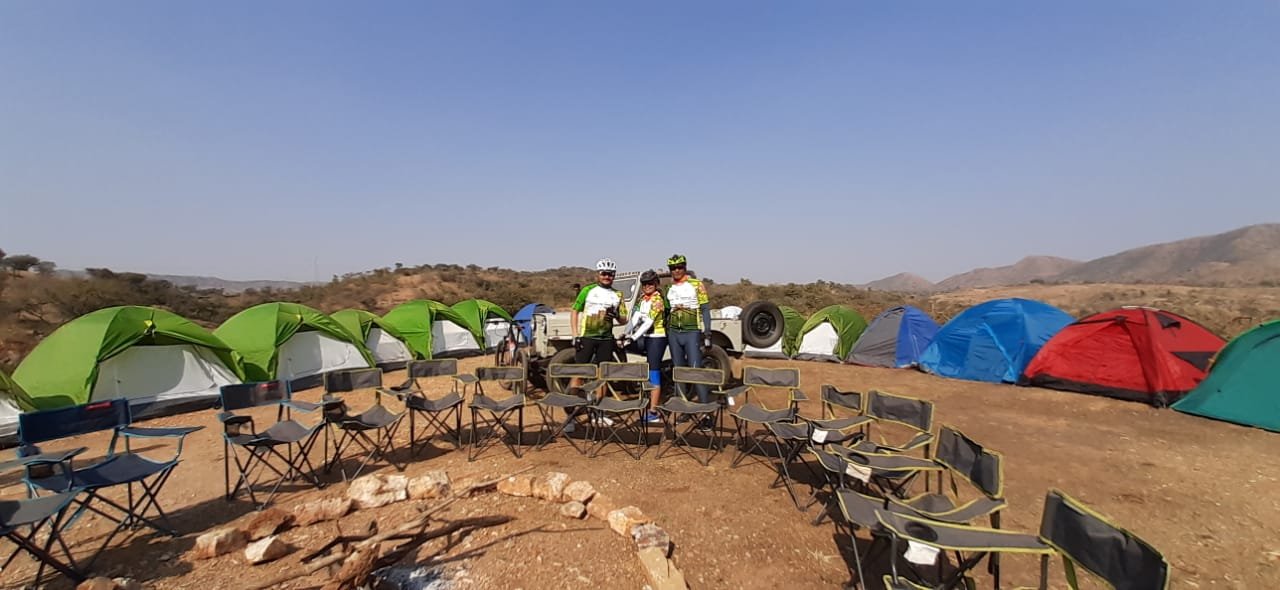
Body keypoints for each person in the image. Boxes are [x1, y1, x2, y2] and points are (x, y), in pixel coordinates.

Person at [664, 254, 713, 408]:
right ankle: (682, 407)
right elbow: (665, 312)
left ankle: (705, 410)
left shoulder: (697, 284)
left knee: (695, 370)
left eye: (680, 267)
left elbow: (705, 309)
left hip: (691, 332)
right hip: (673, 333)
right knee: (678, 371)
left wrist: (708, 332)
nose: (677, 270)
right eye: (673, 268)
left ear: (685, 267)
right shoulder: (668, 288)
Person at [570, 257, 628, 379]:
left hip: (606, 340)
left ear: (614, 275)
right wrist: (575, 336)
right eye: (604, 274)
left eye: (610, 274)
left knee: (603, 375)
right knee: (579, 373)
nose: (607, 277)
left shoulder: (618, 294)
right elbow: (574, 311)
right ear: (598, 274)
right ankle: (574, 398)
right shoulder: (587, 290)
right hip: (587, 337)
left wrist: (617, 315)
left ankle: (600, 398)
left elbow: (624, 320)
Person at [622, 270, 667, 423]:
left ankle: (653, 412)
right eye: (645, 284)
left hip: (657, 338)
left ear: (656, 284)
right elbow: (635, 319)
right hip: (647, 338)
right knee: (647, 369)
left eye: (650, 283)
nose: (647, 286)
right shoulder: (643, 299)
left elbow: (648, 322)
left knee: (654, 371)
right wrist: (625, 333)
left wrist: (633, 337)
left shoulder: (657, 300)